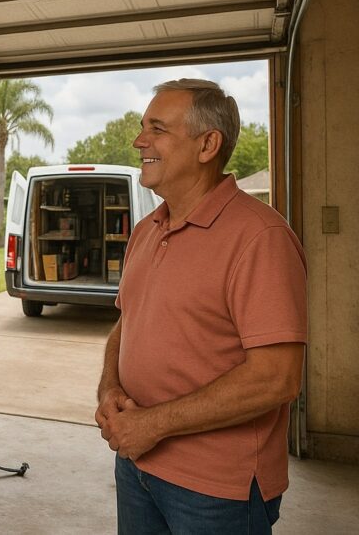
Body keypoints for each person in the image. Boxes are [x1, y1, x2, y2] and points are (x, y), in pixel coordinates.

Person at [95, 79, 307, 534]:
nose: (139, 140)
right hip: (136, 465)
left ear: (208, 144)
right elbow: (127, 323)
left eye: (157, 129)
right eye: (141, 127)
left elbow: (277, 379)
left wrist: (155, 424)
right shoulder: (147, 230)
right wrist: (109, 389)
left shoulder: (260, 238)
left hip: (216, 489)